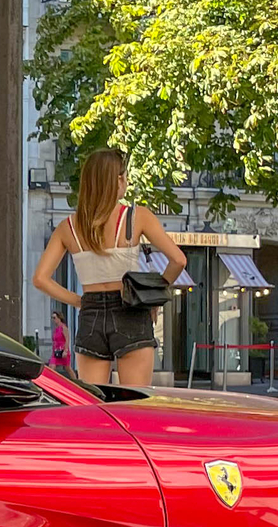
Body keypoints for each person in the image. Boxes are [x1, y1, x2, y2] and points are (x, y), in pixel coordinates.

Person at [31, 148, 187, 389]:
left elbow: (40, 278)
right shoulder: (137, 217)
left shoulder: (68, 227)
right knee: (134, 404)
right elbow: (178, 260)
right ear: (118, 180)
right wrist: (152, 300)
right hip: (131, 310)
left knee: (93, 407)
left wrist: (79, 301)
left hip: (91, 314)